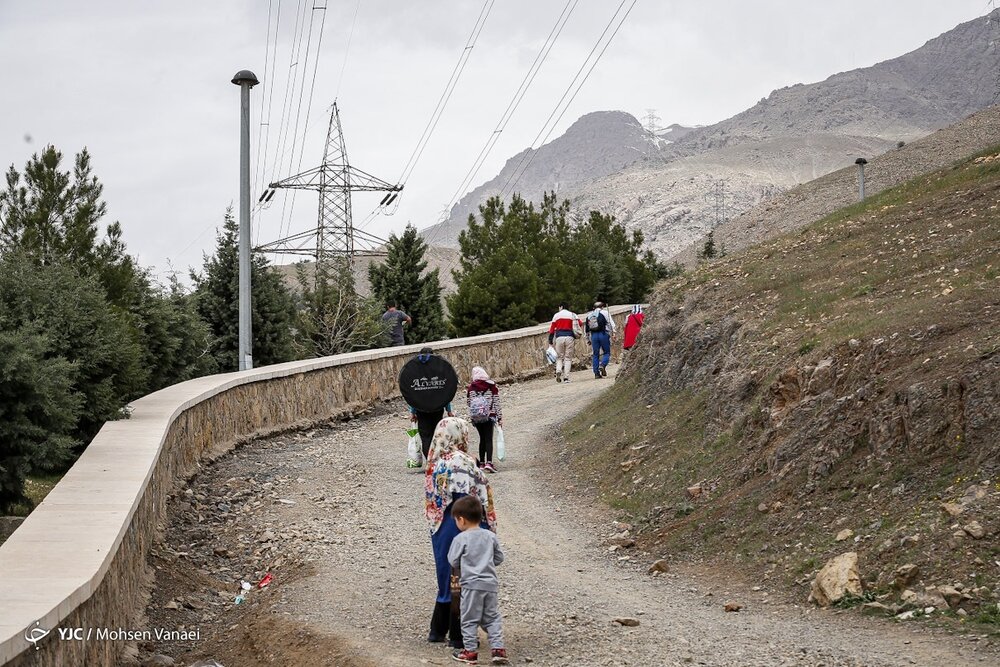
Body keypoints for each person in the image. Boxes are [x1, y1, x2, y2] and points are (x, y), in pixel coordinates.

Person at [425, 418, 498, 649]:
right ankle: (459, 637)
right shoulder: (463, 461)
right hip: (464, 525)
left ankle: (437, 631)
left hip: (441, 528)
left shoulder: (436, 462)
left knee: (447, 578)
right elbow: (468, 499)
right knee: (465, 580)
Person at [448, 495, 509, 665]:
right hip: (490, 584)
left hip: (471, 585)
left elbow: (453, 561)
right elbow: (499, 558)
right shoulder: (490, 536)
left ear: (461, 520)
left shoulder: (460, 539)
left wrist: (466, 564)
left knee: (469, 619)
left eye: (456, 521)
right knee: (492, 617)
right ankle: (498, 650)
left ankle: (470, 652)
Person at [408, 347, 455, 461]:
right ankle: (437, 459)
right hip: (437, 409)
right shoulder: (439, 369)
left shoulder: (415, 371)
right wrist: (449, 410)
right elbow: (445, 391)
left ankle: (430, 461)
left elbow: (413, 394)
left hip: (421, 409)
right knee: (437, 435)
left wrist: (413, 412)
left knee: (425, 437)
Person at [466, 366, 503, 473]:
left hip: (476, 417)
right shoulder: (491, 386)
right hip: (489, 416)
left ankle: (481, 463)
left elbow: (469, 403)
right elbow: (496, 402)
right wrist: (500, 417)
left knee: (482, 439)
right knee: (488, 439)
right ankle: (489, 463)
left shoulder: (471, 388)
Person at [548, 303, 581, 383]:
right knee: (568, 358)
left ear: (561, 307)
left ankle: (558, 370)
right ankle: (566, 377)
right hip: (569, 337)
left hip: (559, 338)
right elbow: (579, 323)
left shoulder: (556, 315)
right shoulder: (573, 315)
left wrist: (550, 341)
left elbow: (552, 330)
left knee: (559, 357)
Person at [585, 301, 616, 379]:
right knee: (607, 352)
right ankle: (603, 365)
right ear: (602, 307)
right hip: (603, 334)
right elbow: (611, 324)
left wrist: (588, 339)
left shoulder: (589, 315)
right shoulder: (605, 313)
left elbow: (587, 329)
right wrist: (613, 333)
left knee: (595, 354)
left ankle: (596, 373)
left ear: (593, 308)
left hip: (594, 335)